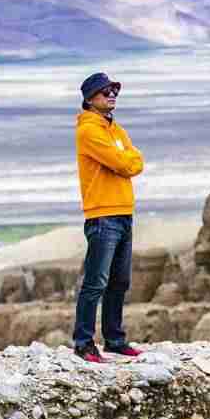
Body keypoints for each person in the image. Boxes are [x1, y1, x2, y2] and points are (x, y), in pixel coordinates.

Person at [71, 70, 145, 363]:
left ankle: (115, 340)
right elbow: (123, 161)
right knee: (95, 282)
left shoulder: (116, 129)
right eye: (106, 91)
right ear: (90, 99)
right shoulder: (88, 131)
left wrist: (127, 161)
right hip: (102, 215)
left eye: (114, 90)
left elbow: (135, 160)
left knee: (119, 281)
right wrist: (126, 160)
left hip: (123, 212)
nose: (112, 95)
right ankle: (84, 343)